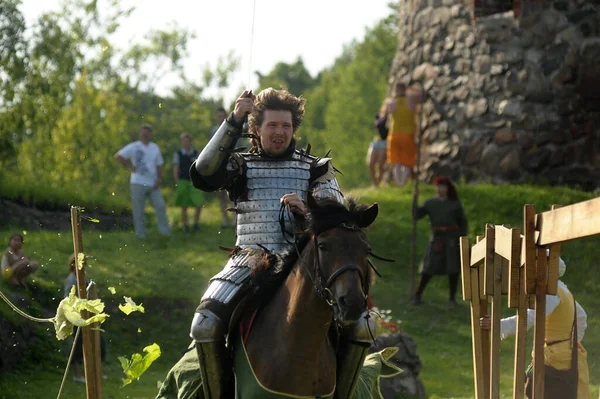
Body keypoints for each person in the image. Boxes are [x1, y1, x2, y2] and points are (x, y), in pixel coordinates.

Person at [188, 88, 371, 399]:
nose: (279, 133)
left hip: (305, 262)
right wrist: (234, 120)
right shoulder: (241, 165)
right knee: (205, 324)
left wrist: (307, 211)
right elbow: (204, 173)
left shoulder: (316, 168)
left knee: (362, 325)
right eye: (272, 125)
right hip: (248, 259)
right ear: (257, 129)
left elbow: (337, 221)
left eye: (286, 126)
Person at [480, 255, 591, 399]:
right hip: (563, 353)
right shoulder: (564, 290)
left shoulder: (552, 292)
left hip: (557, 358)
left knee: (546, 391)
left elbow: (530, 317)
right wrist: (570, 343)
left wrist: (499, 325)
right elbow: (582, 318)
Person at [411, 176, 468, 309]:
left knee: (453, 270)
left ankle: (452, 299)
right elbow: (416, 215)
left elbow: (463, 222)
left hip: (452, 240)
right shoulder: (430, 203)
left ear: (448, 188)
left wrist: (462, 239)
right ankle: (417, 295)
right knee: (427, 268)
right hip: (436, 240)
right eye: (438, 185)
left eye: (443, 186)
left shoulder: (455, 204)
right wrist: (415, 199)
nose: (440, 188)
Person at [115, 123, 171, 239]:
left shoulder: (155, 147)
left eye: (147, 133)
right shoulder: (134, 146)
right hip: (137, 182)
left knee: (160, 206)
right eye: (143, 132)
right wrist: (130, 166)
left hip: (153, 183)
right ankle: (141, 235)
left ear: (150, 135)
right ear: (140, 134)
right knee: (138, 210)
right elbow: (119, 156)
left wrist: (159, 179)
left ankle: (165, 233)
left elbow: (159, 165)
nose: (145, 135)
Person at [64, 254, 107, 383]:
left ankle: (94, 373)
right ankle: (78, 375)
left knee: (98, 343)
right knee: (79, 346)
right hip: (78, 317)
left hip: (89, 316)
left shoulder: (84, 277)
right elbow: (68, 298)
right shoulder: (72, 279)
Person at [386, 82, 422, 186]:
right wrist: (411, 88)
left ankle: (399, 183)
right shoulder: (411, 99)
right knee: (407, 160)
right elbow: (424, 94)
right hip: (408, 134)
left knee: (396, 161)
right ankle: (402, 183)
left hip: (394, 134)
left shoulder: (391, 101)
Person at [173, 132, 204, 232]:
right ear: (181, 142)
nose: (186, 143)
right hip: (183, 180)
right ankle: (185, 224)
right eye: (184, 141)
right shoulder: (178, 153)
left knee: (199, 202)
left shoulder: (196, 152)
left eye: (188, 140)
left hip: (194, 181)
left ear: (190, 141)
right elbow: (176, 168)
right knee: (184, 204)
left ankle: (196, 223)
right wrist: (177, 180)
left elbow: (200, 166)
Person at [210, 107, 234, 228]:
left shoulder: (233, 128)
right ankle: (225, 221)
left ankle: (235, 219)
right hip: (218, 165)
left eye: (222, 115)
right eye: (218, 115)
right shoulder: (214, 130)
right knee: (221, 195)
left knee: (232, 193)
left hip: (230, 163)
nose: (220, 118)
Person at [367, 100, 389, 188]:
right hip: (375, 141)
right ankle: (375, 182)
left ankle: (377, 184)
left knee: (381, 164)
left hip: (384, 142)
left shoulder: (390, 118)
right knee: (370, 163)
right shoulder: (378, 115)